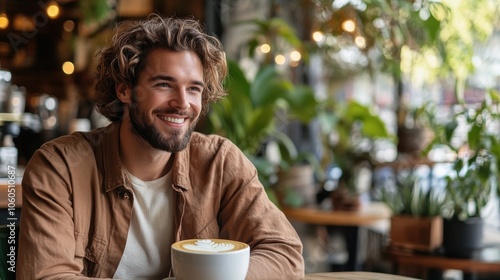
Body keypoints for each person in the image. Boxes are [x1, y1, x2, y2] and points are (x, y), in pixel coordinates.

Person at [17, 14, 304, 279]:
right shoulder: (60, 167)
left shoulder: (220, 162)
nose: (183, 103)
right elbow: (47, 275)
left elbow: (284, 253)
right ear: (125, 89)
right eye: (164, 84)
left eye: (194, 88)